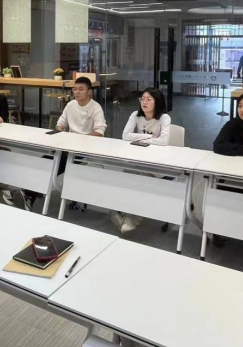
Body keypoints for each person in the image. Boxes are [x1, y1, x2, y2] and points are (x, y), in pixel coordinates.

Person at [17, 77, 106, 212]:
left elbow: (99, 132)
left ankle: (28, 192)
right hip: (68, 146)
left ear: (89, 92)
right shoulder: (70, 105)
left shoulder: (96, 108)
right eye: (75, 89)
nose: (77, 92)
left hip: (85, 148)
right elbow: (60, 124)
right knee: (45, 161)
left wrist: (81, 139)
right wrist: (60, 134)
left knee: (54, 163)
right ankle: (29, 192)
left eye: (81, 89)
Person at [113, 88, 172, 235]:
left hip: (158, 165)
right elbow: (125, 136)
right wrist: (149, 137)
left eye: (149, 99)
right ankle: (127, 213)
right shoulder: (135, 115)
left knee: (141, 179)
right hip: (140, 160)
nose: (144, 102)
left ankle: (132, 218)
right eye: (142, 99)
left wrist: (138, 137)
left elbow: (164, 141)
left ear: (157, 102)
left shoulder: (164, 118)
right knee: (126, 174)